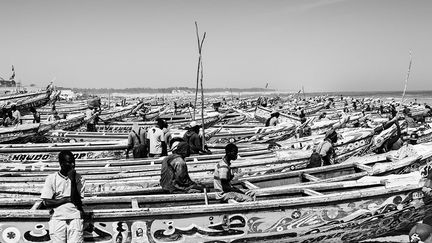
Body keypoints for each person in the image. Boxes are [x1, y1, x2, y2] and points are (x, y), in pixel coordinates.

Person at [40, 150, 85, 243]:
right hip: (57, 219)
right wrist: (66, 200)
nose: (72, 165)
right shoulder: (51, 178)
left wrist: (72, 180)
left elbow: (77, 201)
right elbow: (46, 202)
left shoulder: (79, 178)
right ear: (61, 163)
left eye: (73, 162)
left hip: (75, 218)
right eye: (69, 162)